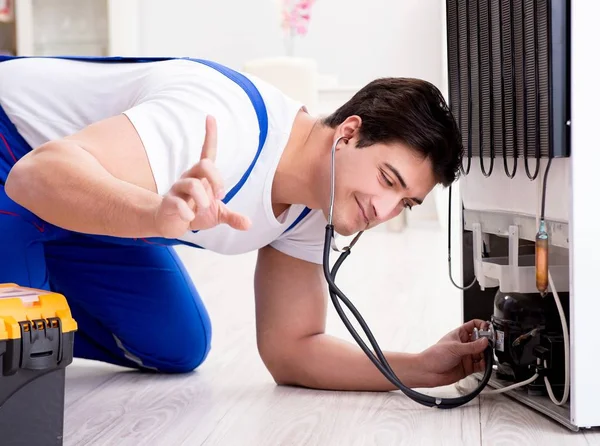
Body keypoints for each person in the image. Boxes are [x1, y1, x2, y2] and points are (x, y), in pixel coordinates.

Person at [0, 55, 488, 392]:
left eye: (405, 203)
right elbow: (35, 175)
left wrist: (419, 368)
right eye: (388, 179)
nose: (382, 211)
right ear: (349, 131)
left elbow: (291, 351)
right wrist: (152, 215)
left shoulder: (316, 204)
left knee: (178, 346)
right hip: (15, 159)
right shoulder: (219, 124)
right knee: (25, 363)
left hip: (85, 205)